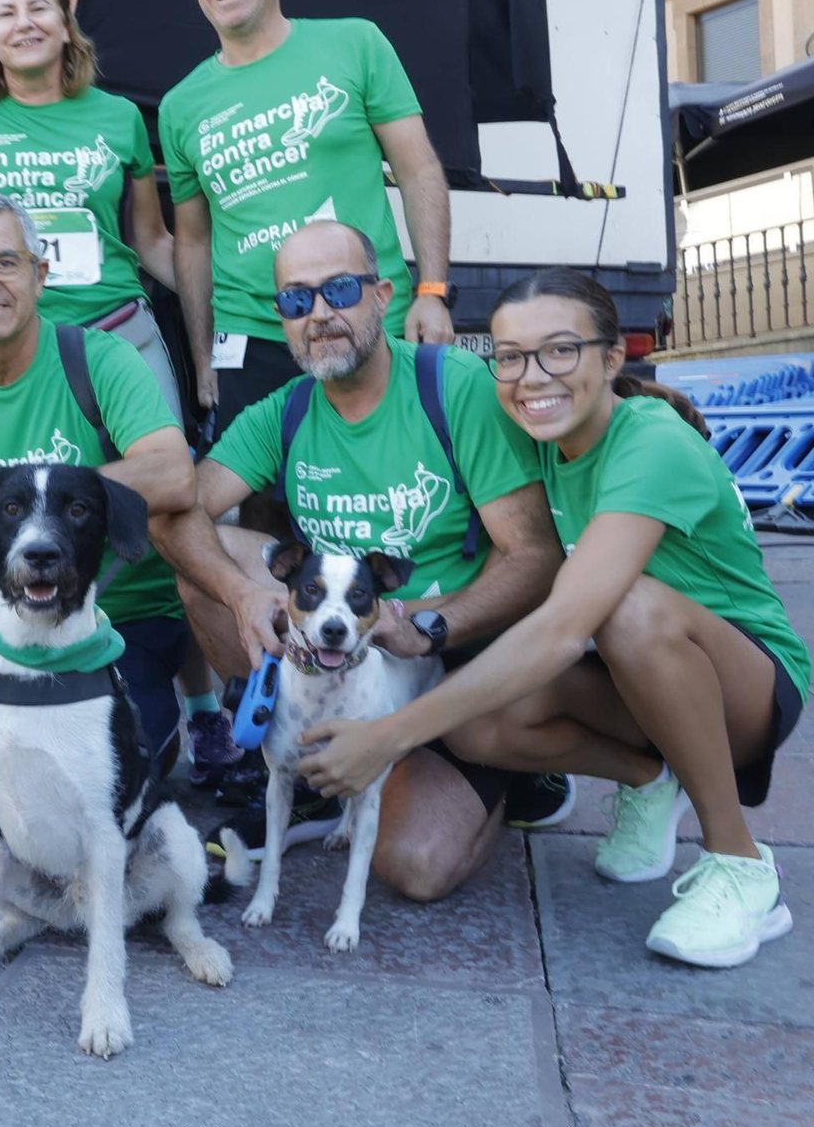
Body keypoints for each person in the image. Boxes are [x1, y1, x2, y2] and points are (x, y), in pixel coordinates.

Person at [298, 269, 810, 968]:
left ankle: (741, 862)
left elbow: (568, 623)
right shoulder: (542, 441)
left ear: (611, 358)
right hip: (629, 674)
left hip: (743, 682)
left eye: (560, 350)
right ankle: (651, 774)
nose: (532, 375)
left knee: (625, 607)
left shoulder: (649, 442)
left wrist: (385, 736)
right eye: (510, 356)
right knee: (474, 721)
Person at [157, 221, 566, 901]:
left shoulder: (452, 386)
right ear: (281, 320)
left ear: (381, 296)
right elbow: (180, 510)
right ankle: (302, 766)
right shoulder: (283, 412)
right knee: (206, 562)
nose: (320, 315)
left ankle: (516, 767)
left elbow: (534, 557)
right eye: (296, 301)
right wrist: (238, 592)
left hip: (451, 663)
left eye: (340, 290)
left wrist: (432, 626)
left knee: (415, 864)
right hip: (342, 648)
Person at [0, 191, 197, 864]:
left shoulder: (98, 359)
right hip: (0, 623)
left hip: (112, 627)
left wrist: (46, 501)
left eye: (4, 262)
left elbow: (172, 472)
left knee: (109, 802)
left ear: (40, 273)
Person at [158, 0, 455, 459]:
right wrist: (203, 356)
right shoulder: (180, 105)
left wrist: (433, 292)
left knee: (393, 477)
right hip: (252, 339)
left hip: (363, 318)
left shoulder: (356, 43)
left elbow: (419, 170)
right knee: (263, 510)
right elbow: (193, 242)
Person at [0, 0, 182, 414]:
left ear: (66, 26)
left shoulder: (120, 118)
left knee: (163, 481)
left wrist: (238, 302)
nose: (25, 23)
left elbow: (153, 241)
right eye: (6, 13)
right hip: (11, 347)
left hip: (119, 332)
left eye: (39, 8)